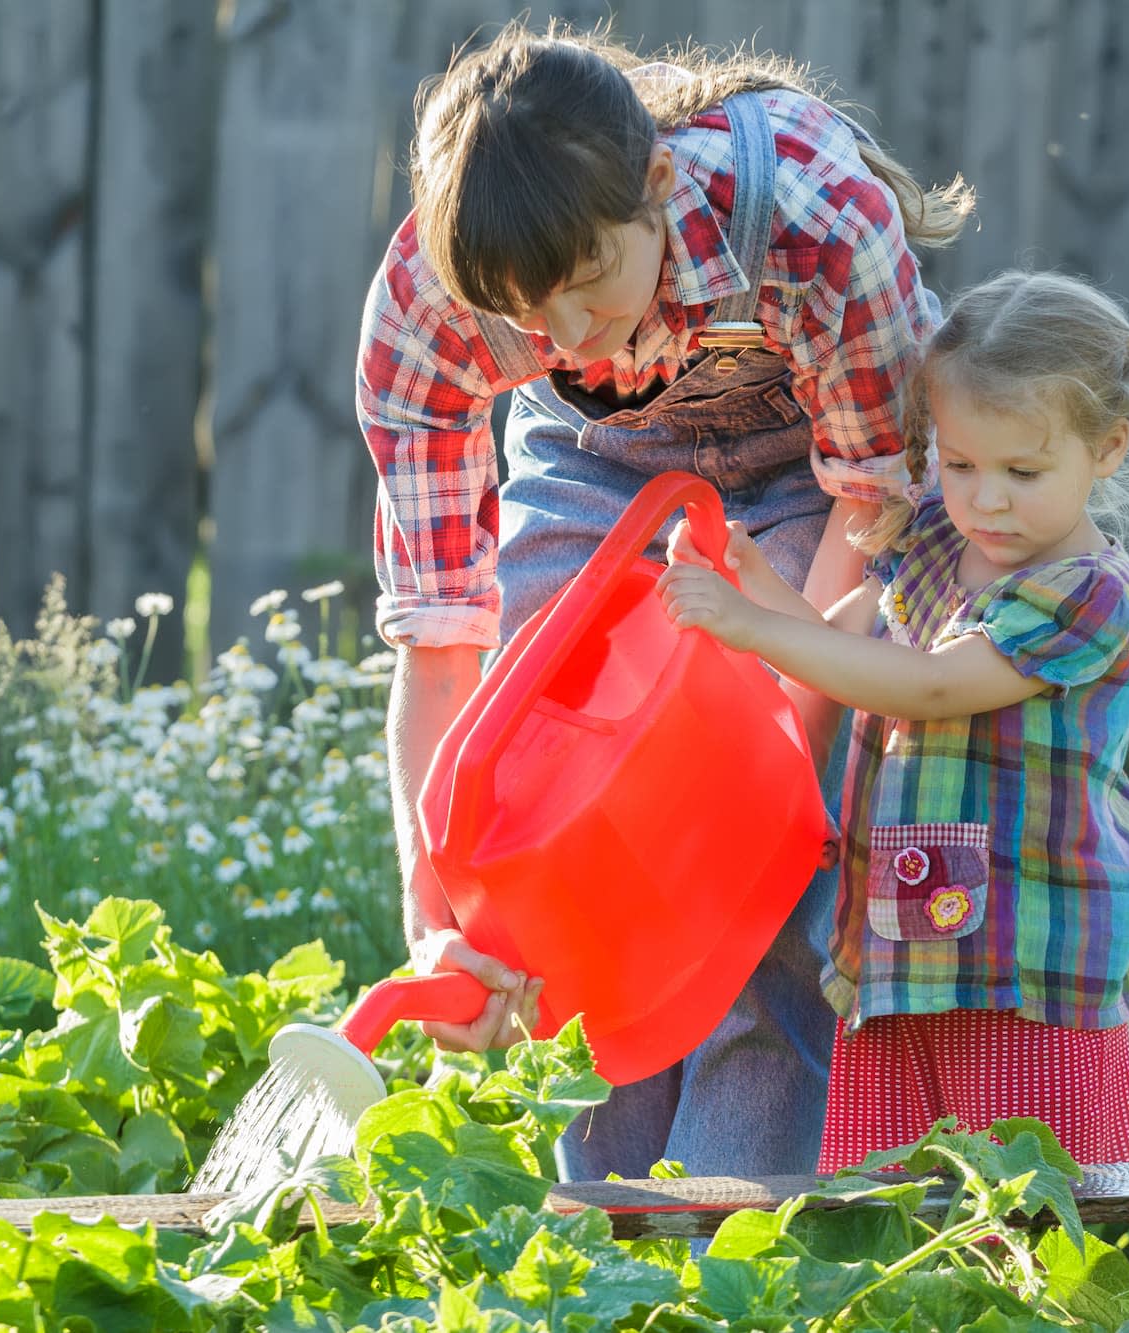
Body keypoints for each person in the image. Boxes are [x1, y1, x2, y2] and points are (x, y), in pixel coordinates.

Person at [356, 21, 970, 1180]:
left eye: (587, 284)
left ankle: (719, 1244)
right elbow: (443, 648)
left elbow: (871, 505)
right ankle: (598, 1233)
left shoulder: (811, 215)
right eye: (527, 317)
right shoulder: (425, 316)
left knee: (766, 884)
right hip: (592, 458)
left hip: (815, 472)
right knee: (547, 827)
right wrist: (437, 913)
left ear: (654, 185)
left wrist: (764, 766)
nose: (567, 334)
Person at [658, 269, 1129, 1167]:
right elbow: (842, 644)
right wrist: (752, 583)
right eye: (958, 464)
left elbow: (930, 686)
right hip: (897, 960)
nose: (985, 499)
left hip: (1023, 980)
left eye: (1022, 472)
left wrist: (751, 626)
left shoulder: (1088, 594)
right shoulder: (939, 547)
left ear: (1108, 447)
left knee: (1026, 1223)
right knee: (885, 1213)